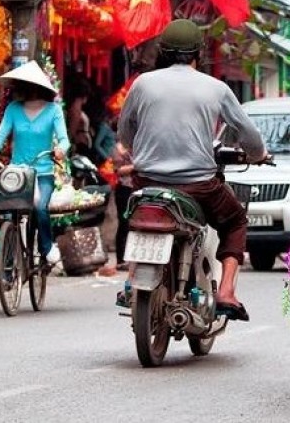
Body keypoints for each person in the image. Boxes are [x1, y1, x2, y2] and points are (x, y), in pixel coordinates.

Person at [117, 19, 267, 321]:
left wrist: (142, 152)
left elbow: (125, 133)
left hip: (147, 183)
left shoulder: (143, 84)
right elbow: (250, 138)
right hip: (198, 187)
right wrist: (259, 154)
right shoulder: (216, 88)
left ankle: (132, 279)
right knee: (235, 219)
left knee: (135, 218)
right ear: (198, 53)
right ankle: (226, 291)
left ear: (163, 52)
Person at [0, 61, 70, 265]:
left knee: (40, 207)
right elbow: (1, 135)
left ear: (39, 86)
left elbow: (64, 140)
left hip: (43, 173)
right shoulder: (13, 109)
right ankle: (7, 266)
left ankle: (47, 247)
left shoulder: (53, 110)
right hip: (17, 173)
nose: (25, 89)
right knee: (7, 212)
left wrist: (60, 150)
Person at [110, 141, 134, 271]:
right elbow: (118, 171)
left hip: (136, 187)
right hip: (124, 188)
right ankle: (121, 259)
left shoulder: (141, 144)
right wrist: (136, 167)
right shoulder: (119, 148)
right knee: (124, 222)